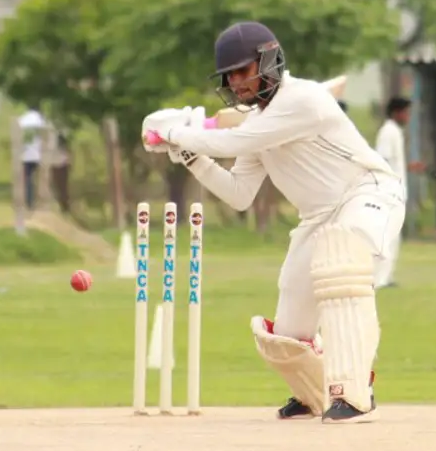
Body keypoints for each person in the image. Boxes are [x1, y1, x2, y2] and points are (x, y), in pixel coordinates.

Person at [140, 22, 405, 424]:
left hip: (367, 193)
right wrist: (192, 155)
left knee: (341, 263)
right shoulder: (260, 125)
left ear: (268, 62)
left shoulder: (303, 100)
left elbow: (233, 142)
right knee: (287, 335)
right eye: (229, 76)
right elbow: (238, 193)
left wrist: (177, 132)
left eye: (243, 71)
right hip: (318, 216)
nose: (236, 82)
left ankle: (354, 392)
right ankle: (314, 390)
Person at [371, 97, 419, 288]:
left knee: (394, 237)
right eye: (405, 112)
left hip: (397, 191)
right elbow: (382, 161)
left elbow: (394, 163)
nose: (408, 116)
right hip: (388, 192)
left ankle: (386, 276)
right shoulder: (387, 132)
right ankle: (379, 279)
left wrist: (408, 167)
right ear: (395, 113)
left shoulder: (395, 132)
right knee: (387, 237)